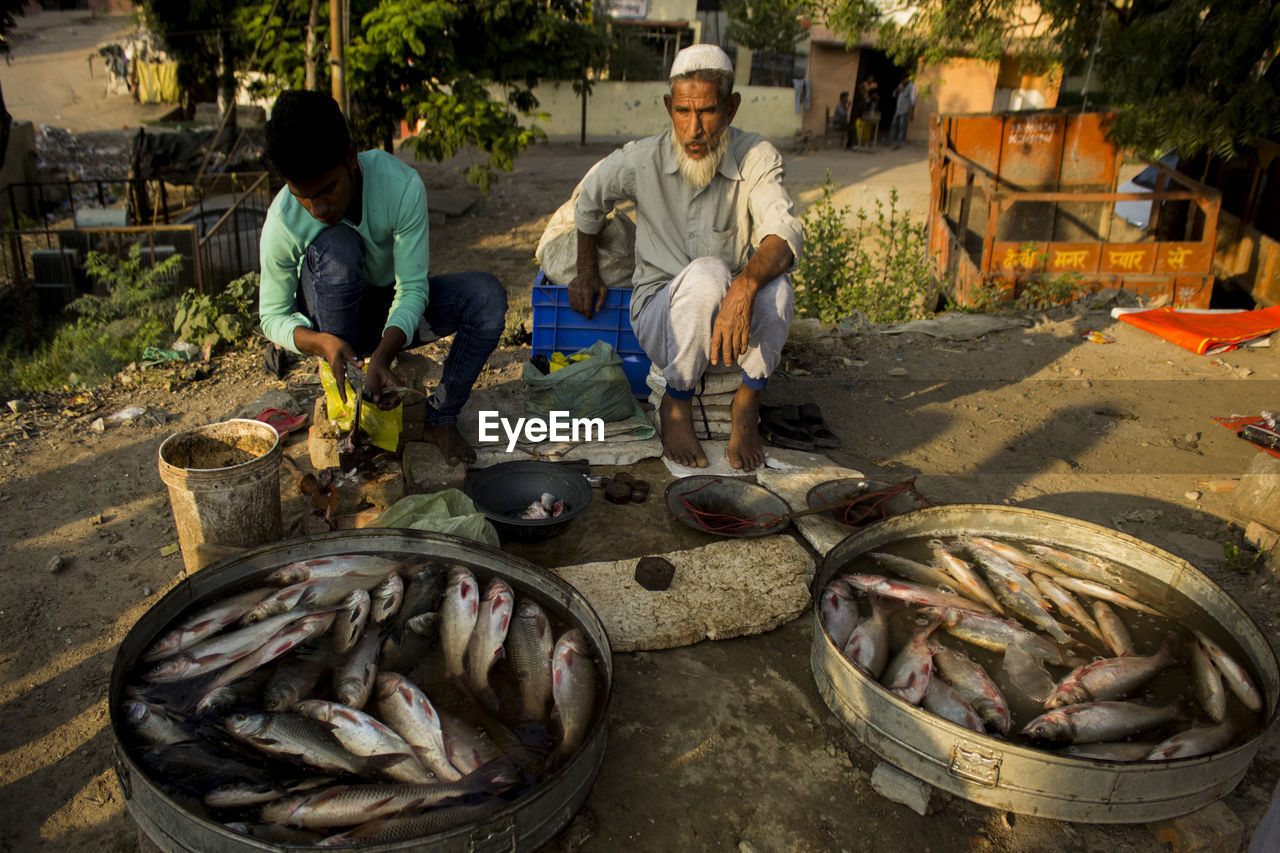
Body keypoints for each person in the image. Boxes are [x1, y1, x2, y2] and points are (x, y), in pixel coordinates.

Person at [569, 44, 803, 472]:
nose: (694, 130)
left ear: (731, 108)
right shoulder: (642, 160)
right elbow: (586, 200)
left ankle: (747, 401)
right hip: (662, 315)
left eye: (708, 112)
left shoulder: (757, 156)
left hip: (731, 319)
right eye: (682, 112)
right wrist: (586, 271)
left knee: (778, 286)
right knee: (710, 274)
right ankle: (676, 404)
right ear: (668, 107)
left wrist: (746, 286)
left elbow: (783, 232)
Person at [258, 90, 507, 465]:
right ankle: (352, 417)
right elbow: (272, 315)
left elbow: (411, 289)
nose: (318, 208)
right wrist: (321, 343)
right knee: (338, 246)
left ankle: (439, 418)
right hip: (332, 323)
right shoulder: (282, 220)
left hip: (386, 314)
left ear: (351, 156)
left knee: (487, 296)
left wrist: (383, 356)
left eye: (327, 190)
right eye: (302, 196)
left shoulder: (399, 185)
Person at [891, 76, 916, 149]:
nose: (902, 83)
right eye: (901, 81)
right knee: (894, 124)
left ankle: (899, 142)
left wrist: (912, 113)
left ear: (907, 80)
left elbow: (912, 100)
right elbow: (894, 95)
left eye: (904, 81)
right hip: (898, 109)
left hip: (905, 110)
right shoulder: (901, 85)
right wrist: (897, 90)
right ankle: (890, 140)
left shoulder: (911, 87)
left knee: (902, 126)